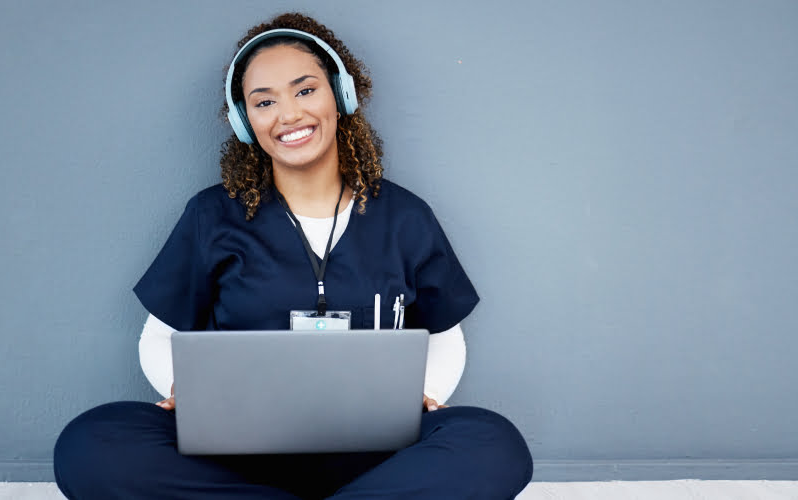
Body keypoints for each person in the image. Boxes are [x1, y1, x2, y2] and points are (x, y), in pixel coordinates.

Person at [54, 12, 533, 499]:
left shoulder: (406, 217)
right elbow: (161, 333)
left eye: (305, 90)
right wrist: (188, 395)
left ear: (341, 96)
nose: (288, 115)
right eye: (264, 102)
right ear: (246, 121)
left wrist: (425, 398)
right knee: (90, 444)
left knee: (494, 444)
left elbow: (445, 333)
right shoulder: (212, 215)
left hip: (375, 455)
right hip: (237, 454)